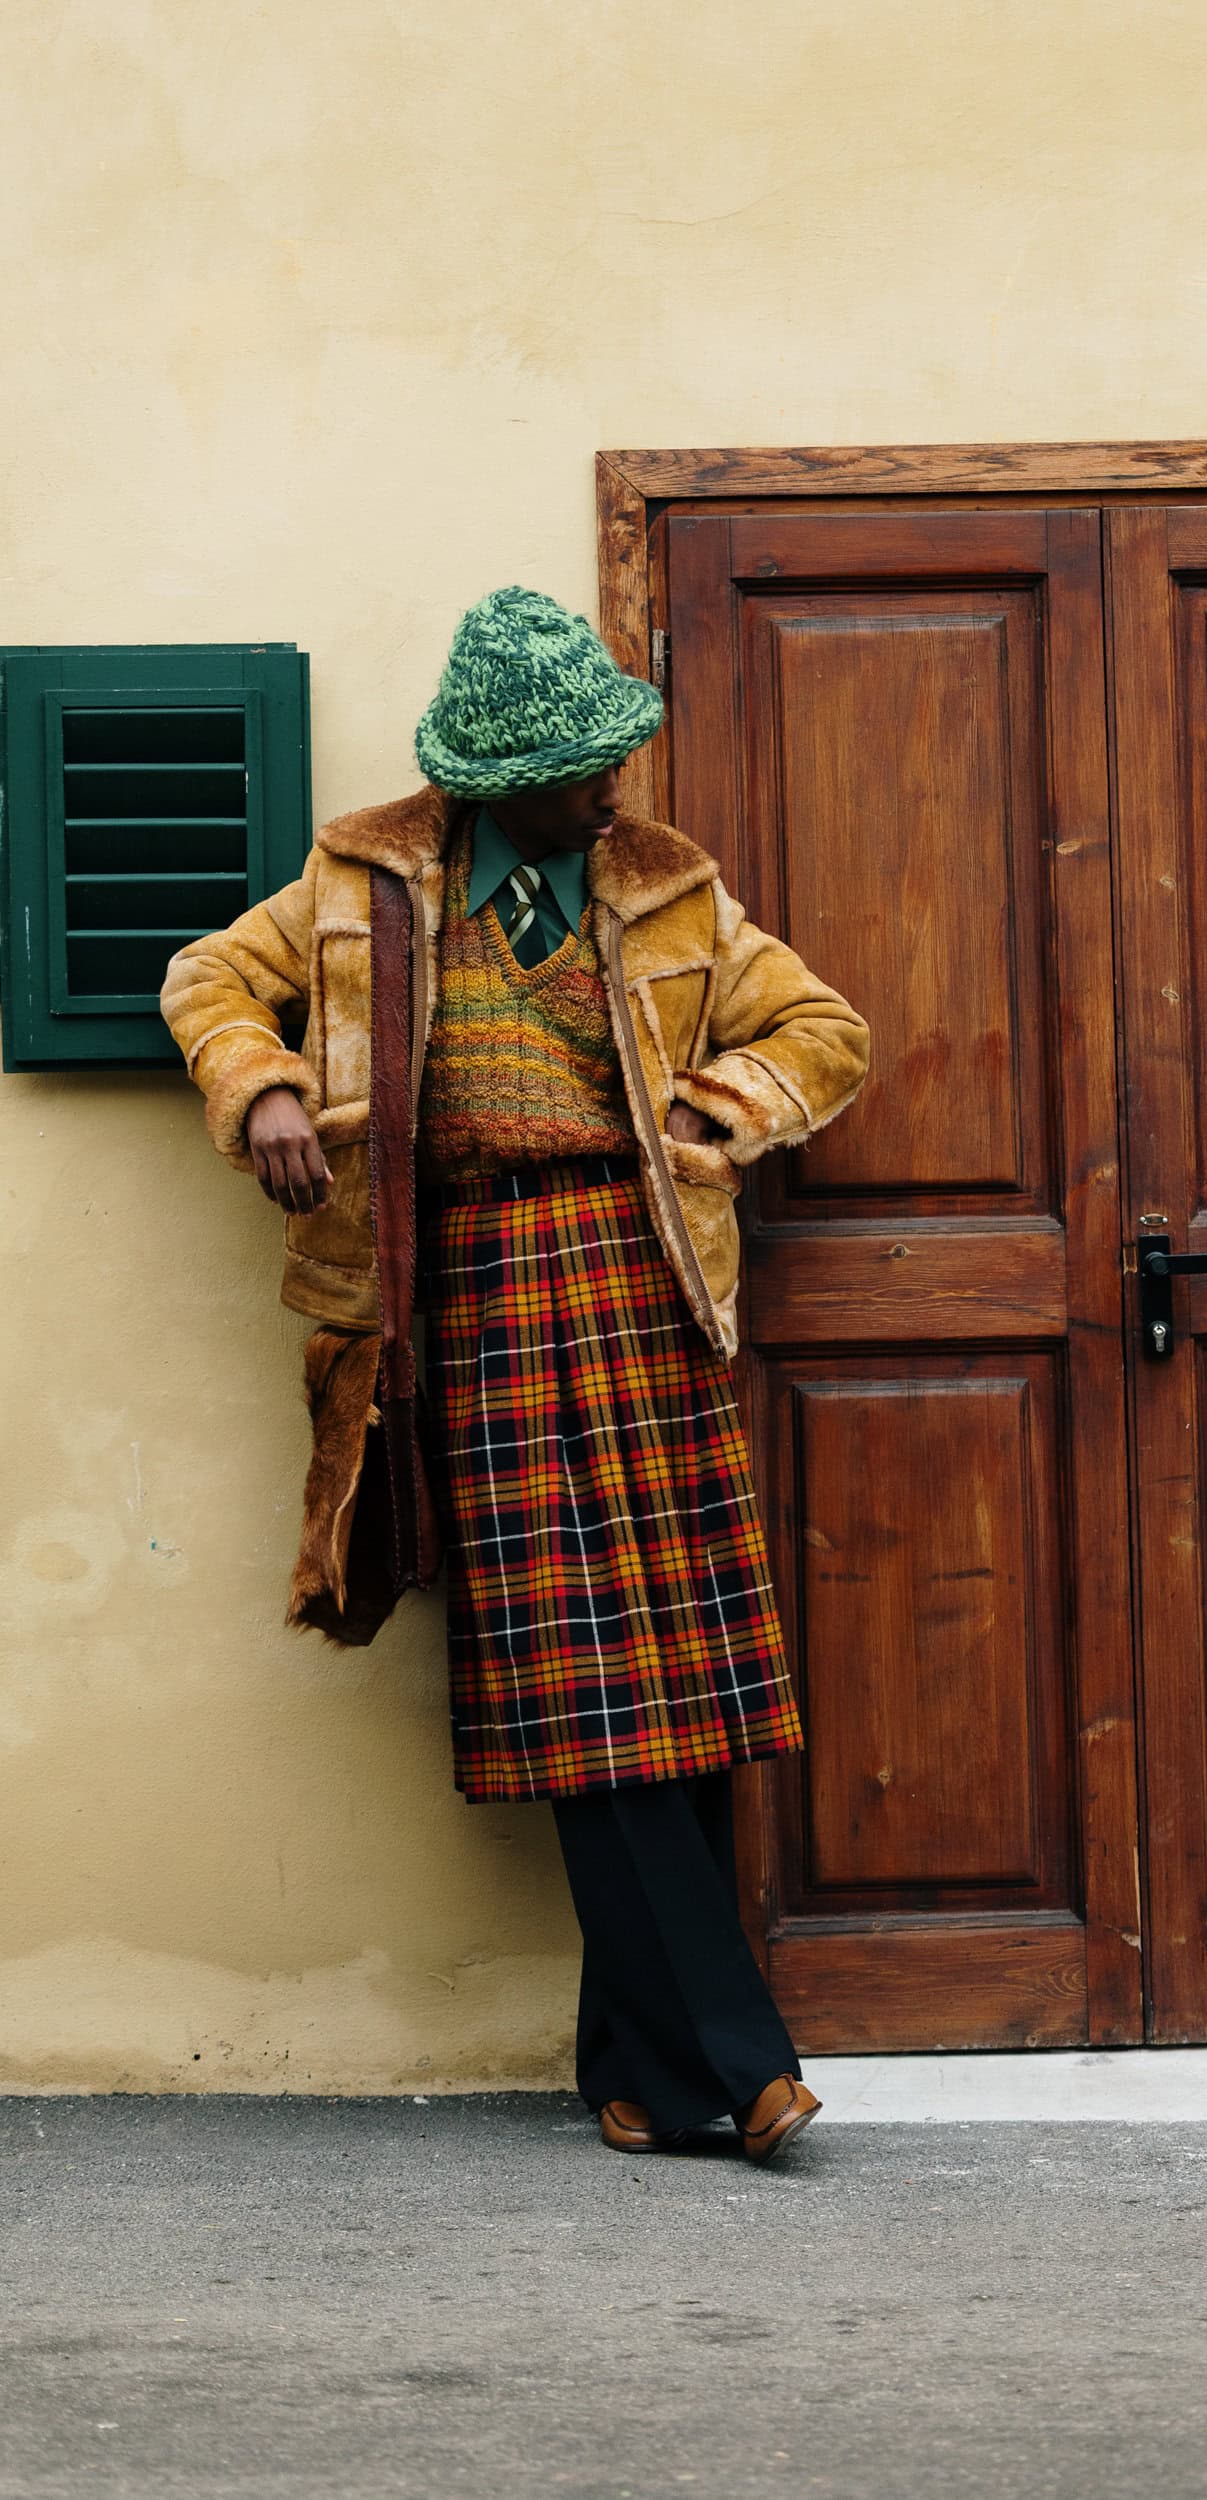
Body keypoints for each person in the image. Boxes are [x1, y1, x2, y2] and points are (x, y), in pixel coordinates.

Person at [161, 588, 870, 2165]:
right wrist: (263, 1083)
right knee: (584, 1688)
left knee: (679, 1687)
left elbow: (824, 1029)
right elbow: (205, 977)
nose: (613, 784)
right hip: (465, 1300)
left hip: (640, 1291)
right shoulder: (362, 880)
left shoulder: (674, 889)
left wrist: (716, 1113)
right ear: (498, 775)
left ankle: (635, 2068)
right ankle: (740, 2061)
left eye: (615, 756)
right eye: (580, 766)